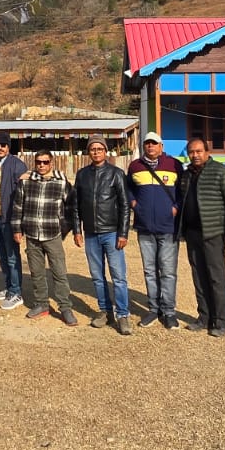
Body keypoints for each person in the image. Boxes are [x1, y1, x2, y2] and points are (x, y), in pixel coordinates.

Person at [176, 137, 225, 337]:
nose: (195, 155)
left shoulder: (221, 172)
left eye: (198, 151)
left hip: (213, 234)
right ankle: (204, 317)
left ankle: (221, 321)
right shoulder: (187, 175)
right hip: (192, 234)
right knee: (198, 276)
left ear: (206, 152)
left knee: (216, 278)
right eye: (191, 152)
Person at [71, 137, 132, 334]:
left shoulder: (116, 174)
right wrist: (77, 230)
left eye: (100, 149)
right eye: (93, 149)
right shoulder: (82, 175)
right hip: (90, 234)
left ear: (106, 151)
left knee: (118, 277)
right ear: (88, 152)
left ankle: (122, 314)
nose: (96, 152)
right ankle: (105, 311)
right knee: (97, 277)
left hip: (112, 233)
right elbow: (76, 206)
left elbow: (124, 205)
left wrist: (123, 233)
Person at [11, 146, 77, 326]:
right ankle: (41, 304)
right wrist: (17, 229)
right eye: (38, 162)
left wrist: (65, 228)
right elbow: (18, 207)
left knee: (59, 272)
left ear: (51, 163)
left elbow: (71, 206)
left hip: (52, 234)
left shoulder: (61, 182)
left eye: (45, 162)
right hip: (32, 234)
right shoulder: (26, 182)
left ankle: (65, 307)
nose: (41, 165)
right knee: (37, 273)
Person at [127, 131, 184, 330]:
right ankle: (153, 308)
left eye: (154, 143)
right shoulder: (135, 166)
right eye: (147, 144)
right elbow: (128, 189)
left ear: (161, 146)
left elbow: (183, 190)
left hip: (168, 227)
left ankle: (169, 311)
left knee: (168, 272)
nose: (150, 147)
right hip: (145, 228)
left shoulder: (174, 164)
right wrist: (134, 204)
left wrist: (175, 207)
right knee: (149, 271)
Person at [0, 134, 27, 310]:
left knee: (11, 256)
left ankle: (16, 292)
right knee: (1, 255)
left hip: (9, 218)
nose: (0, 148)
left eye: (3, 145)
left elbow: (23, 192)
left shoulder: (17, 165)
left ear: (9, 147)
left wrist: (20, 220)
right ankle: (9, 287)